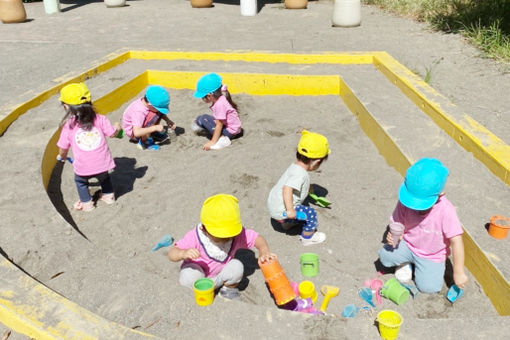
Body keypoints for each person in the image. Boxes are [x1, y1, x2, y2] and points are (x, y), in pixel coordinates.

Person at [378, 158, 468, 293]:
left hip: (431, 255)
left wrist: (459, 272)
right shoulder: (406, 200)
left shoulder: (446, 210)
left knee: (429, 288)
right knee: (384, 257)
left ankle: (420, 267)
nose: (414, 206)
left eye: (420, 203)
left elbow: (456, 241)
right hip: (408, 245)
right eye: (412, 201)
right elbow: (398, 222)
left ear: (440, 194)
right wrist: (394, 234)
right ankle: (407, 265)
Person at [168, 194, 273, 300]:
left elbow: (256, 238)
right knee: (188, 274)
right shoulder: (195, 236)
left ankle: (227, 289)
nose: (226, 239)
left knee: (237, 266)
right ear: (204, 229)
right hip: (199, 279)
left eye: (229, 235)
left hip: (220, 277)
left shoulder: (237, 235)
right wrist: (182, 253)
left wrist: (263, 250)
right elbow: (172, 253)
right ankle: (194, 294)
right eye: (219, 236)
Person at [56, 83, 121, 212]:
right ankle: (109, 197)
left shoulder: (69, 125)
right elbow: (113, 133)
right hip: (103, 165)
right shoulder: (100, 119)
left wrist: (61, 156)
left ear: (66, 106)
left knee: (80, 182)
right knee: (105, 178)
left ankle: (87, 204)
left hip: (82, 168)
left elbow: (63, 147)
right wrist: (117, 127)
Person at [267, 130, 330, 246]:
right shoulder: (300, 174)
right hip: (281, 211)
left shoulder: (295, 167)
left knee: (302, 208)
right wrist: (290, 210)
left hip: (274, 205)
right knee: (311, 214)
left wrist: (308, 188)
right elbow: (287, 189)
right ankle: (308, 237)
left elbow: (292, 182)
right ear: (317, 162)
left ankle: (287, 224)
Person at [191, 73, 242, 151]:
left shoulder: (219, 104)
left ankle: (223, 139)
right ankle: (217, 134)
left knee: (204, 119)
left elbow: (219, 125)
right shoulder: (220, 98)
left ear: (209, 96)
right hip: (233, 128)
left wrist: (212, 142)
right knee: (200, 118)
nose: (202, 99)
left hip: (230, 132)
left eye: (202, 97)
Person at [121, 85, 176, 150]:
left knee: (155, 113)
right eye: (158, 108)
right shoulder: (139, 111)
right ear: (149, 104)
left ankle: (152, 133)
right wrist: (154, 127)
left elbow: (160, 113)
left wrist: (167, 120)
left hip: (141, 125)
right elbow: (136, 132)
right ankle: (145, 142)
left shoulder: (148, 102)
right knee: (153, 115)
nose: (159, 110)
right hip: (134, 132)